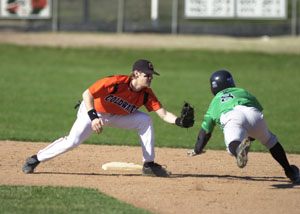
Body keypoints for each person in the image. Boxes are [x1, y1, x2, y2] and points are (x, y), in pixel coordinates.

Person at [22, 59, 194, 177]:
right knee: (72, 142)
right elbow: (87, 94)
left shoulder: (146, 95)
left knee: (145, 120)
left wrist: (179, 121)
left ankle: (148, 165)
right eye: (146, 75)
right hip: (93, 111)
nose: (150, 78)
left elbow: (162, 114)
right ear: (136, 73)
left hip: (117, 116)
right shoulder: (116, 82)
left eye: (151, 75)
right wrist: (93, 117)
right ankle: (36, 159)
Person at [187, 70, 300, 183]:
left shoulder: (214, 102)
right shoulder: (242, 91)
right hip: (252, 113)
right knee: (270, 141)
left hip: (232, 117)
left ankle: (238, 151)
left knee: (232, 145)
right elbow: (256, 112)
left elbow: (205, 133)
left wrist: (198, 149)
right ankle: (290, 171)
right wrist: (251, 136)